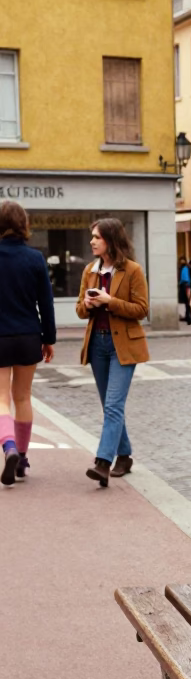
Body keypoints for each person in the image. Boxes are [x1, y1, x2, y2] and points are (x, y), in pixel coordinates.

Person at [76, 217, 149, 487]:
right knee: (110, 406)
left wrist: (110, 302)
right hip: (97, 344)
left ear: (111, 240)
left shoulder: (132, 270)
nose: (92, 241)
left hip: (124, 346)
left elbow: (142, 309)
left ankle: (102, 463)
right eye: (92, 236)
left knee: (113, 405)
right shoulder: (89, 271)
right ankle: (125, 455)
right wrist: (88, 303)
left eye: (97, 237)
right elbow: (80, 310)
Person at [0, 200, 56, 486]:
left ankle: (7, 446)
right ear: (24, 224)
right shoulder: (34, 258)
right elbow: (46, 303)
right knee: (23, 396)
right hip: (27, 335)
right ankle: (21, 457)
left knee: (1, 399)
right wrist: (48, 339)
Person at [178, 257, 191, 325]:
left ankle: (189, 316)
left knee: (187, 302)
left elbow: (185, 279)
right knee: (187, 302)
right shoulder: (185, 268)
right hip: (186, 286)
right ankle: (188, 316)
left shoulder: (184, 268)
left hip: (186, 286)